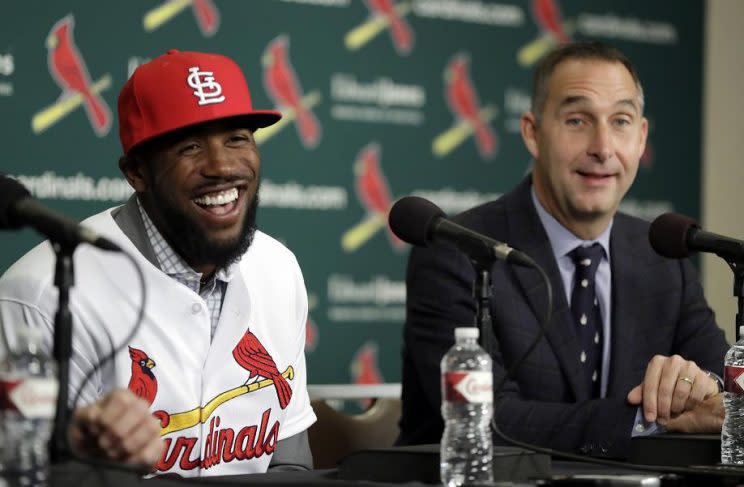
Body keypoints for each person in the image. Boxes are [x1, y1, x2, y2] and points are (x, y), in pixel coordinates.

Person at [397, 41, 729, 458]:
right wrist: (650, 420)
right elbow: (491, 421)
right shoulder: (460, 252)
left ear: (641, 138)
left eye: (621, 121)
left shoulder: (663, 260)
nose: (603, 147)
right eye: (577, 120)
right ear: (533, 133)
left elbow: (720, 377)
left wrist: (706, 389)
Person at [0, 49, 315, 476]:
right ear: (136, 172)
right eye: (189, 146)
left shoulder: (278, 268)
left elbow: (290, 462)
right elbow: (22, 471)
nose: (222, 165)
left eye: (237, 138)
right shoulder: (39, 294)